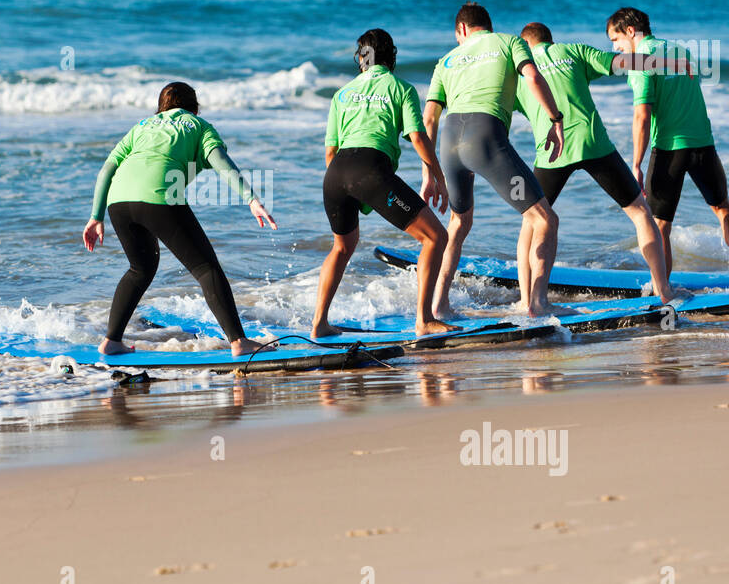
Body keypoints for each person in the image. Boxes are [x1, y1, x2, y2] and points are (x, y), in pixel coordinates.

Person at [82, 82, 276, 357]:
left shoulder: (142, 126)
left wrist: (95, 216)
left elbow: (107, 169)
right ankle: (239, 342)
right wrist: (251, 199)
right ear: (194, 107)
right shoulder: (198, 125)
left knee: (141, 269)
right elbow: (221, 162)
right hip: (160, 196)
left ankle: (111, 341)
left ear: (160, 108)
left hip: (118, 202)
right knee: (206, 269)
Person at [516, 22, 677, 303]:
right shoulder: (573, 51)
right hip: (593, 144)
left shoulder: (519, 72)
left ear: (525, 46)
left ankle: (528, 301)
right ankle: (664, 291)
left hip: (551, 152)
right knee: (640, 213)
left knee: (531, 223)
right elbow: (621, 61)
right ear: (550, 40)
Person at [425, 2, 566, 317]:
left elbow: (429, 121)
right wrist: (555, 119)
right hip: (485, 141)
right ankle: (538, 304)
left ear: (462, 30)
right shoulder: (509, 42)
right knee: (544, 219)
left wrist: (429, 173)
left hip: (450, 145)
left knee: (459, 223)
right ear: (484, 25)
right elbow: (531, 78)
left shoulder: (446, 60)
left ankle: (439, 306)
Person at [606, 7, 729, 288]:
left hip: (669, 149)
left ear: (631, 32)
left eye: (615, 40)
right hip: (703, 144)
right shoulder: (680, 51)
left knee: (660, 224)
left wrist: (636, 163)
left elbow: (642, 116)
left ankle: (662, 290)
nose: (616, 47)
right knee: (723, 208)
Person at [312, 28, 454, 339]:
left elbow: (330, 152)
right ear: (391, 56)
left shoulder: (342, 93)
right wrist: (437, 176)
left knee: (341, 247)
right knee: (435, 238)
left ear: (360, 58)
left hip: (335, 175)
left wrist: (350, 188)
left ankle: (319, 323)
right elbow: (418, 137)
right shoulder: (401, 88)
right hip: (370, 170)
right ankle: (424, 319)